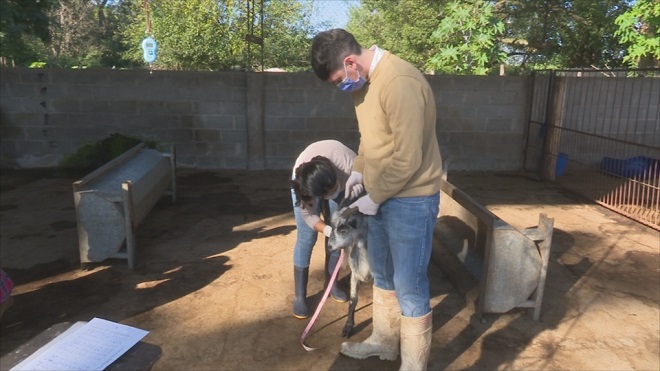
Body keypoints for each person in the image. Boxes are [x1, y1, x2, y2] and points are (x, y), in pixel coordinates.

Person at [311, 29, 443, 370]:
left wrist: (376, 196)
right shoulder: (363, 85)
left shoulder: (399, 82)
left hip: (411, 199)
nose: (341, 86)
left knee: (409, 283)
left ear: (351, 61)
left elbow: (409, 157)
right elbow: (370, 137)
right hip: (380, 195)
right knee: (383, 273)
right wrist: (358, 169)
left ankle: (414, 365)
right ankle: (384, 342)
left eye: (339, 78)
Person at [290, 139, 361, 319]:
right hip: (309, 183)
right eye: (327, 195)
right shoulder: (302, 184)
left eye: (332, 190)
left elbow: (365, 181)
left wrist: (353, 192)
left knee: (338, 233)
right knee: (307, 238)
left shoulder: (349, 163)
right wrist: (329, 231)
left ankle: (332, 284)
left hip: (347, 181)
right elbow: (309, 217)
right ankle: (299, 296)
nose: (331, 196)